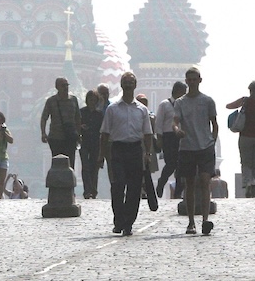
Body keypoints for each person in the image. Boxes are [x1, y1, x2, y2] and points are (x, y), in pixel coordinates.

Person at [99, 71, 153, 236]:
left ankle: (128, 222)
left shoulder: (142, 110)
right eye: (125, 82)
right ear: (121, 85)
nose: (128, 85)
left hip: (135, 150)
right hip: (118, 150)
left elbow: (148, 134)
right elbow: (105, 134)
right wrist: (102, 155)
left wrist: (148, 153)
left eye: (131, 82)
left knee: (134, 189)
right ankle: (119, 220)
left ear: (135, 85)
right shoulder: (112, 109)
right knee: (118, 185)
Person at [173, 66, 218, 236]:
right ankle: (191, 222)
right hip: (187, 147)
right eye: (189, 79)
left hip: (205, 146)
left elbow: (214, 123)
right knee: (189, 183)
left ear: (200, 80)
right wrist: (177, 130)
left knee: (205, 180)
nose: (192, 82)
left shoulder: (207, 101)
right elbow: (175, 121)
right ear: (186, 82)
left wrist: (212, 140)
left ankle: (205, 220)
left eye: (194, 79)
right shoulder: (180, 102)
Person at [40, 77, 81, 170]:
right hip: (56, 137)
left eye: (67, 85)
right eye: (63, 85)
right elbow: (44, 118)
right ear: (57, 87)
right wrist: (43, 133)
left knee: (70, 163)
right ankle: (57, 183)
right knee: (57, 162)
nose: (66, 87)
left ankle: (69, 182)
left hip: (70, 137)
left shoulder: (73, 100)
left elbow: (78, 118)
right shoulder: (51, 101)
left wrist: (79, 134)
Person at [155, 81, 187, 199]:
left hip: (179, 137)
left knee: (180, 165)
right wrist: (159, 138)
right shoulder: (165, 104)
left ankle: (178, 192)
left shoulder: (183, 105)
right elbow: (159, 123)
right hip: (168, 137)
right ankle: (161, 183)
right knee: (171, 164)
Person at [79, 90, 104, 199]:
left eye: (94, 100)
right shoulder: (82, 112)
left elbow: (102, 130)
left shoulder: (99, 114)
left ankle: (93, 189)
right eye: (90, 100)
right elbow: (77, 124)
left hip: (95, 143)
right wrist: (81, 127)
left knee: (94, 167)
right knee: (85, 166)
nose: (92, 102)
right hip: (84, 142)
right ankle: (87, 190)